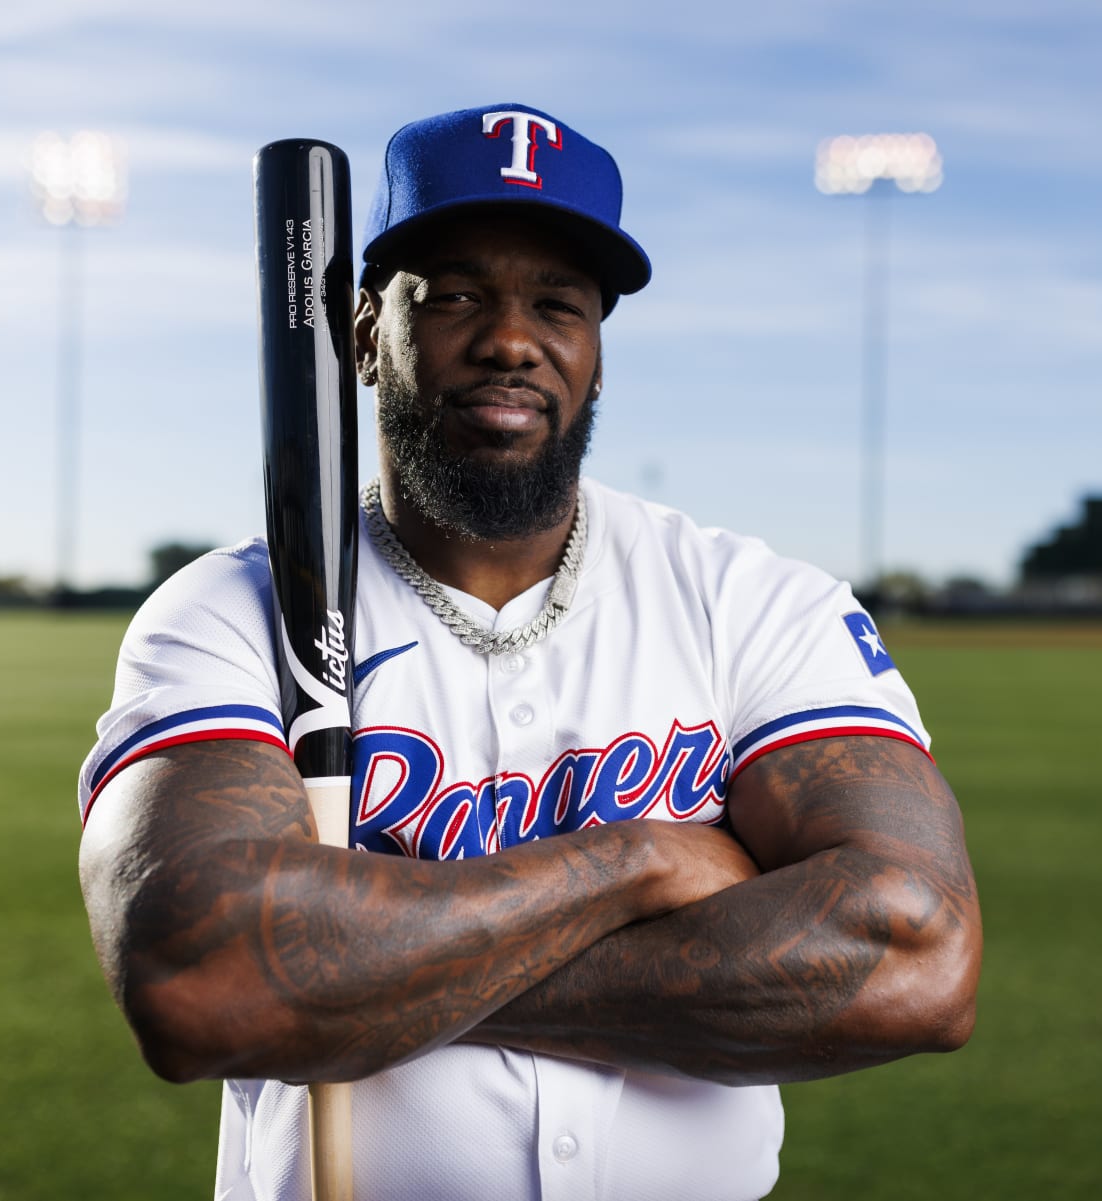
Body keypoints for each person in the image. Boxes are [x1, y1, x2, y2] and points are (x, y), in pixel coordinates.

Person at [76, 102, 981, 1201]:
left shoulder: (752, 602)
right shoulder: (230, 611)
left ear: (596, 357)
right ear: (365, 335)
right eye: (457, 295)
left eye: (558, 304)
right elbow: (202, 980)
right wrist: (638, 862)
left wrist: (359, 978)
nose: (512, 339)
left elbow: (914, 957)